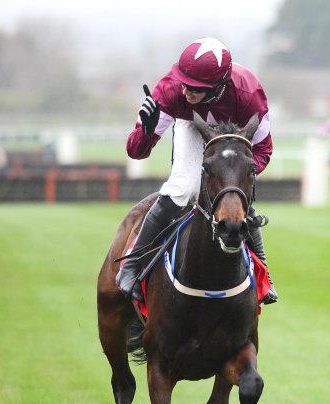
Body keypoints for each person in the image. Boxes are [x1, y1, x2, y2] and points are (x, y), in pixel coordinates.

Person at [117, 37, 277, 305]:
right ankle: (131, 266)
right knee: (185, 188)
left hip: (234, 134)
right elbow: (136, 152)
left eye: (195, 88)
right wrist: (145, 131)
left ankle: (264, 274)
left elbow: (263, 150)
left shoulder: (249, 94)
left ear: (218, 87)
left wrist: (235, 175)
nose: (185, 91)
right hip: (191, 124)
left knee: (236, 196)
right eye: (184, 82)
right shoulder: (170, 90)